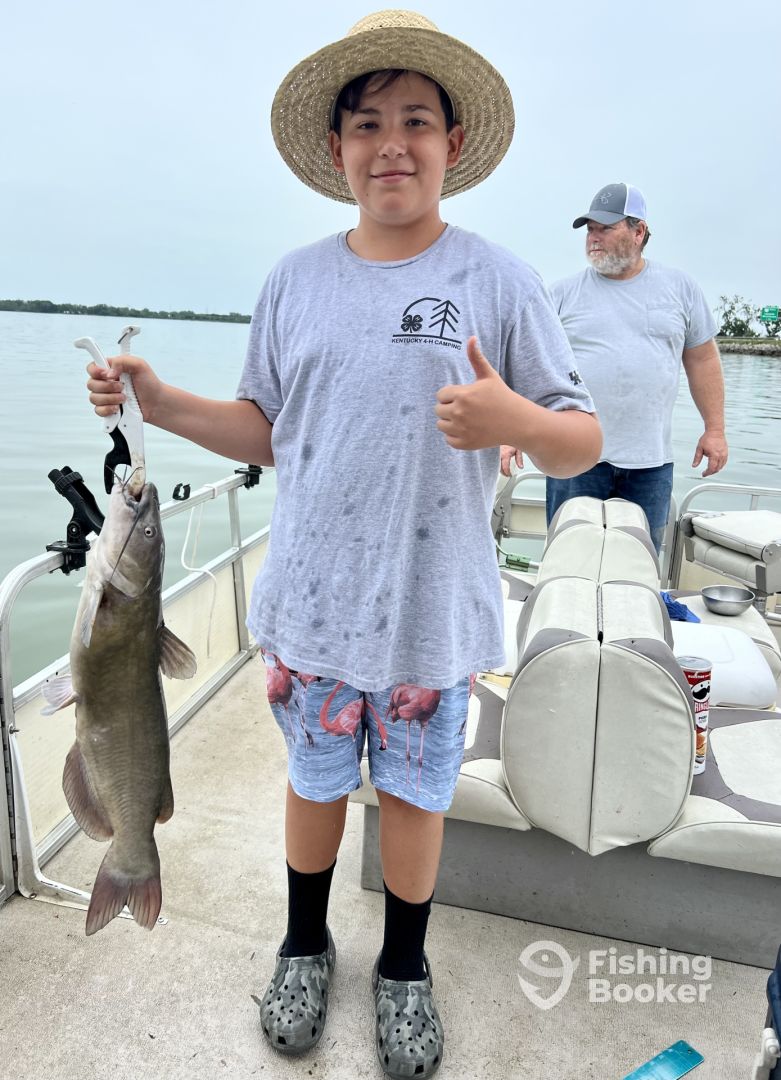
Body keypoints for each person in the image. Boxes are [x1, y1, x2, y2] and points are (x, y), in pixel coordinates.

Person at [86, 11, 601, 1078]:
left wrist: (513, 420)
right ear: (336, 150)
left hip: (429, 608)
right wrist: (160, 400)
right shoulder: (294, 280)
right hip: (314, 605)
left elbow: (579, 439)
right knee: (315, 784)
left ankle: (405, 965)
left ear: (454, 142)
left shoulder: (498, 280)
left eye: (415, 121)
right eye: (367, 125)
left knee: (413, 798)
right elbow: (268, 431)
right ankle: (303, 945)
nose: (391, 145)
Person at [541, 182, 728, 553]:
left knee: (639, 564)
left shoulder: (680, 288)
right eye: (590, 229)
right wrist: (513, 435)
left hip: (650, 464)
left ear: (639, 231)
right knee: (569, 560)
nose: (593, 238)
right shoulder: (560, 294)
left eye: (605, 228)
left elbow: (703, 359)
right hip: (575, 456)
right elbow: (533, 366)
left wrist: (715, 430)